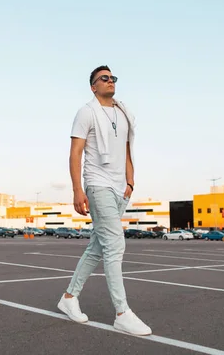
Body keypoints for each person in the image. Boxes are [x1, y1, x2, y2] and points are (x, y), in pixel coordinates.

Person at [57, 65, 151, 336]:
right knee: (115, 244)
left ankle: (69, 298)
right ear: (93, 86)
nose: (110, 82)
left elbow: (127, 149)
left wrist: (131, 182)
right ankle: (122, 313)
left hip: (121, 188)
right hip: (98, 184)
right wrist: (77, 189)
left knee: (97, 247)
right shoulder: (86, 112)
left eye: (113, 78)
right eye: (104, 78)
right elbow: (75, 153)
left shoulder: (123, 112)